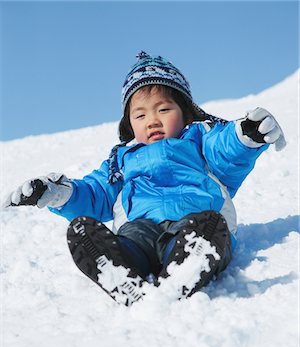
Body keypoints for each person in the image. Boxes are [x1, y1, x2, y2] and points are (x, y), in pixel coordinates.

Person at [5, 51, 285, 305]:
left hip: (194, 223)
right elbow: (95, 193)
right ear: (129, 124)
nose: (152, 120)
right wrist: (57, 193)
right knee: (115, 236)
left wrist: (246, 134)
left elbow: (227, 151)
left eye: (163, 110)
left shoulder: (200, 140)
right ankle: (119, 267)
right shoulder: (121, 160)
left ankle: (190, 264)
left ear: (186, 112)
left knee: (207, 226)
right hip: (140, 229)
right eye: (140, 114)